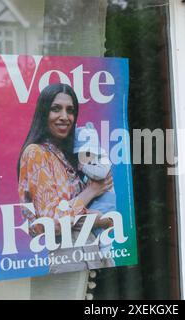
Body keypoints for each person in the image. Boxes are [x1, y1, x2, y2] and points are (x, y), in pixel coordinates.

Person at [17, 83, 113, 273]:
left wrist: (102, 219)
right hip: (69, 256)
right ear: (43, 113)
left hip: (93, 251)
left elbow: (104, 218)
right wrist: (91, 192)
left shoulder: (67, 155)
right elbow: (53, 225)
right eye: (55, 109)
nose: (64, 117)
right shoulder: (36, 153)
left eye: (70, 111)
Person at [74, 122, 116, 266]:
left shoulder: (103, 162)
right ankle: (104, 250)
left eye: (88, 154)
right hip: (97, 203)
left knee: (103, 231)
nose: (85, 158)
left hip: (106, 202)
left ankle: (106, 250)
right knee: (98, 230)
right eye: (81, 155)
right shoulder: (89, 165)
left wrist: (84, 167)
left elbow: (100, 174)